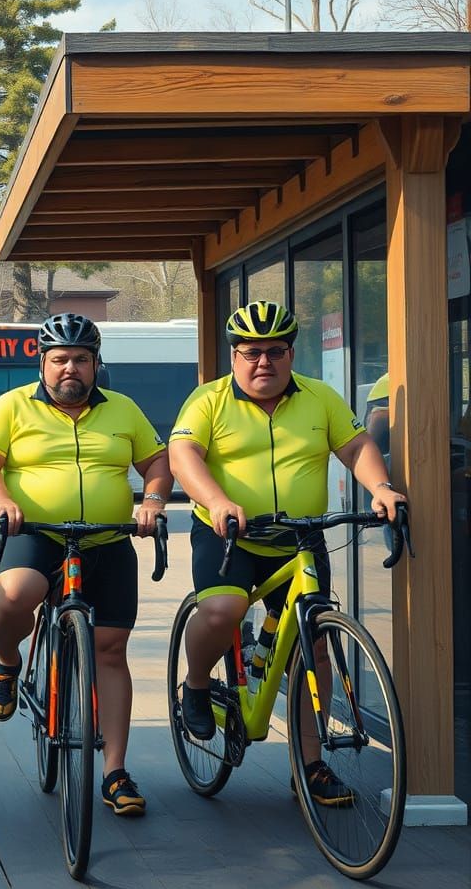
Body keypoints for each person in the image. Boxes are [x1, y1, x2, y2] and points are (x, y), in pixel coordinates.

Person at [168, 300, 407, 805]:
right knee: (224, 609)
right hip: (228, 532)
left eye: (275, 352)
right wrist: (215, 500)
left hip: (299, 538)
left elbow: (356, 446)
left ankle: (310, 766)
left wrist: (381, 488)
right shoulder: (208, 401)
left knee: (313, 645)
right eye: (251, 352)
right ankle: (194, 683)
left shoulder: (319, 398)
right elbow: (183, 454)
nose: (264, 363)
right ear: (234, 356)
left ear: (291, 353)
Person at [0, 312, 172, 817]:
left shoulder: (123, 409)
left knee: (110, 649)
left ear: (96, 363)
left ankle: (115, 772)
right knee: (15, 595)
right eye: (59, 359)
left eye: (81, 359)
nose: (70, 369)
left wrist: (153, 501)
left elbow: (158, 463)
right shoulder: (12, 406)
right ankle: (9, 663)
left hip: (107, 539)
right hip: (34, 534)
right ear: (42, 363)